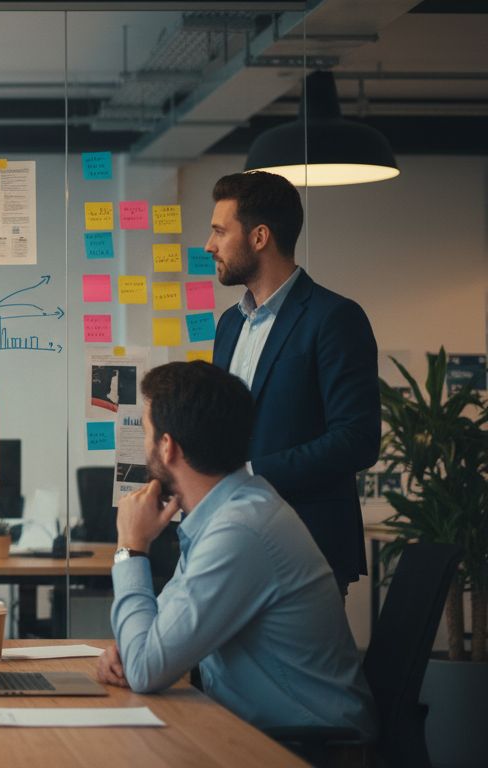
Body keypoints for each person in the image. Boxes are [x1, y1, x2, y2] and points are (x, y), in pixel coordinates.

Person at [96, 362, 376, 739]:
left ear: (167, 446)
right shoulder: (231, 512)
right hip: (258, 732)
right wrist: (134, 649)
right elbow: (158, 638)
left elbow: (146, 667)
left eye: (146, 433)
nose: (144, 447)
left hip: (307, 746)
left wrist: (131, 548)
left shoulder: (239, 531)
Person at [206, 171, 379, 595]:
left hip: (306, 547)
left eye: (219, 231)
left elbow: (357, 439)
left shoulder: (334, 318)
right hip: (232, 543)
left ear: (259, 237)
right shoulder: (229, 325)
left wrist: (250, 474)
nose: (210, 245)